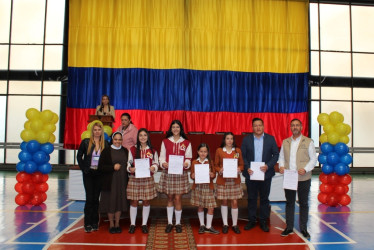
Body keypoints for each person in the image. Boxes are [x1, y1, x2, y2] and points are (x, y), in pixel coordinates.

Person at [278, 118, 317, 239]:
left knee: (303, 203)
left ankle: (304, 228)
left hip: (303, 177)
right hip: (289, 177)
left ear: (301, 127)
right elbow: (281, 157)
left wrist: (305, 169)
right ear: (290, 128)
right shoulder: (285, 142)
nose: (295, 127)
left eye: (297, 125)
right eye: (293, 125)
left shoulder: (308, 141)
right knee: (289, 203)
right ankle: (289, 227)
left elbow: (313, 159)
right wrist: (281, 166)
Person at [241, 118, 279, 232]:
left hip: (265, 174)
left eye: (260, 125)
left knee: (264, 198)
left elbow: (276, 155)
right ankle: (251, 220)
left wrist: (268, 165)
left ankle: (263, 221)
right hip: (251, 174)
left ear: (263, 126)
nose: (258, 128)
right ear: (252, 127)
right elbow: (243, 155)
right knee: (251, 198)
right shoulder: (246, 139)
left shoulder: (270, 139)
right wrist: (247, 167)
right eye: (255, 126)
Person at [158, 120, 192, 233]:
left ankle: (177, 223)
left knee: (178, 198)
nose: (175, 129)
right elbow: (161, 157)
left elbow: (188, 158)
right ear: (171, 129)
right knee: (170, 198)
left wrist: (186, 164)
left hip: (180, 174)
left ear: (180, 129)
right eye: (173, 127)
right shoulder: (165, 141)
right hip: (169, 173)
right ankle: (169, 222)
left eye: (177, 127)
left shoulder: (186, 143)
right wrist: (163, 163)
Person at [77, 122, 109, 233]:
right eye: (95, 130)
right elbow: (79, 156)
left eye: (99, 130)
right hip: (88, 174)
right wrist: (83, 168)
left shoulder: (105, 144)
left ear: (102, 131)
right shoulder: (85, 142)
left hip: (99, 174)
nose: (97, 132)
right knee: (89, 199)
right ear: (92, 131)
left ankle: (95, 222)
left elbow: (107, 158)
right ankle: (87, 223)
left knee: (96, 199)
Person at [127, 128, 159, 234]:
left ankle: (144, 224)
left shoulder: (153, 151)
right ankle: (132, 224)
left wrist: (153, 168)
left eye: (145, 135)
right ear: (138, 137)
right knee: (134, 201)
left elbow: (156, 163)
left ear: (148, 137)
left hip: (147, 178)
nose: (143, 137)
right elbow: (129, 163)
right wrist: (130, 168)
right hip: (135, 178)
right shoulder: (132, 149)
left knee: (146, 201)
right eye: (140, 135)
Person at [98, 132, 129, 234]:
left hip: (122, 181)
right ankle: (111, 224)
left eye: (120, 140)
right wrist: (112, 167)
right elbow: (101, 167)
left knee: (119, 202)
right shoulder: (106, 151)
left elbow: (129, 165)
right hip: (110, 182)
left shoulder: (125, 151)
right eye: (116, 139)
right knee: (110, 202)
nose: (117, 141)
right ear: (112, 139)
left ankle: (117, 224)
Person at [214, 132, 244, 234]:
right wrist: (220, 170)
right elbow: (215, 165)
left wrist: (239, 169)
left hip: (234, 180)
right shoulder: (219, 150)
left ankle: (235, 225)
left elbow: (242, 164)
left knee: (235, 202)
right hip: (223, 180)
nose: (230, 141)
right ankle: (225, 224)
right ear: (224, 140)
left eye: (231, 139)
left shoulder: (237, 150)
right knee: (224, 202)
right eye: (227, 138)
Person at [190, 143, 219, 234]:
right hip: (198, 186)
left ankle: (208, 226)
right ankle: (202, 225)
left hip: (208, 186)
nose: (203, 153)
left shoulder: (210, 162)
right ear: (198, 152)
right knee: (200, 206)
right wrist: (193, 175)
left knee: (211, 207)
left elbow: (214, 175)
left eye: (205, 152)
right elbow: (191, 175)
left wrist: (212, 175)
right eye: (201, 151)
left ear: (207, 153)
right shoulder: (194, 162)